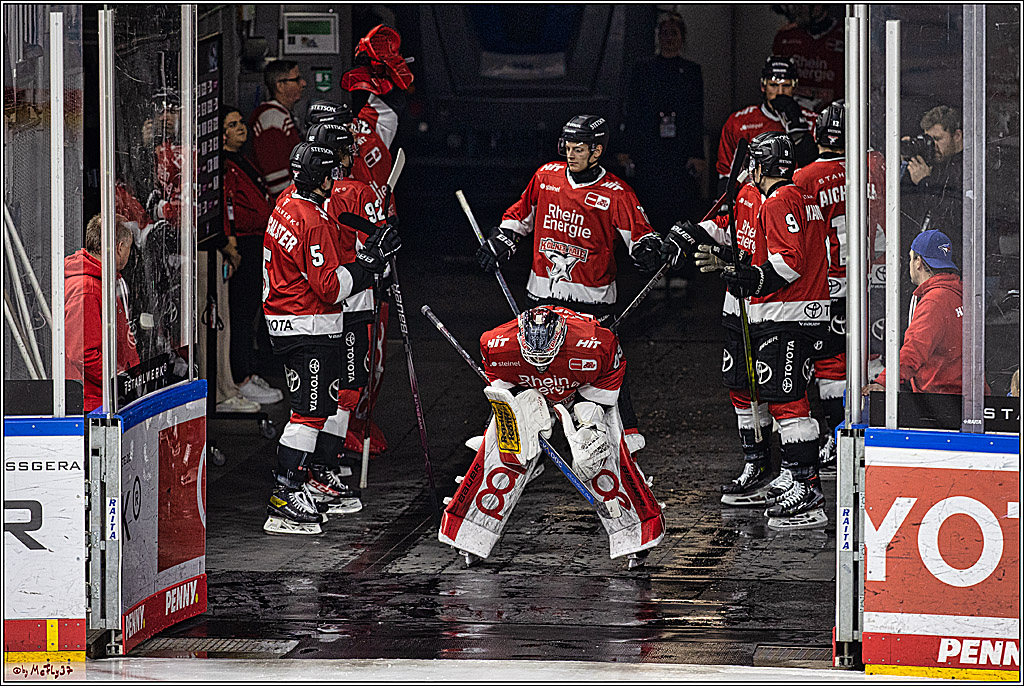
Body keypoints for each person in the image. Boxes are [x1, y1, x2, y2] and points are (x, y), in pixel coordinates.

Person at [666, 132, 830, 530]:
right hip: (754, 314)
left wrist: (747, 276)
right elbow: (733, 232)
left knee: (786, 400)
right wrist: (695, 236)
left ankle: (806, 489)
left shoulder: (782, 199)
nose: (745, 170)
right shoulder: (758, 195)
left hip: (785, 314)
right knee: (744, 389)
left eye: (751, 163)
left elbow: (788, 263)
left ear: (760, 165)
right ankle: (764, 470)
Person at [476, 114, 663, 452]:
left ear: (597, 151)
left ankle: (624, 438)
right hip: (542, 297)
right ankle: (511, 439)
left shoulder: (616, 193)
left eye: (579, 149)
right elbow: (519, 218)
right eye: (568, 147)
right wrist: (501, 240)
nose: (571, 155)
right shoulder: (546, 177)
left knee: (602, 365)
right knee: (526, 366)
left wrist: (650, 250)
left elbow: (640, 238)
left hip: (591, 305)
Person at [438, 305, 665, 569]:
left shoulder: (597, 343)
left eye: (546, 358)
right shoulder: (495, 344)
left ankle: (637, 529)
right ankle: (467, 529)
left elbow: (612, 377)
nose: (541, 365)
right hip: (529, 389)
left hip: (584, 388)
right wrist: (517, 414)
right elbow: (500, 386)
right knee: (505, 449)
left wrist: (590, 424)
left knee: (597, 452)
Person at [262, 141, 400, 535]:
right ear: (322, 178)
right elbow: (331, 288)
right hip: (306, 325)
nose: (334, 181)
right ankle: (285, 493)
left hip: (291, 321)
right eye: (330, 175)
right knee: (309, 411)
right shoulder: (312, 221)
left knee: (317, 407)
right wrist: (369, 263)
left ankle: (300, 482)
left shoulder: (286, 203)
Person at [792, 100, 846, 475]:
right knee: (865, 360)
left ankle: (834, 437)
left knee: (828, 365)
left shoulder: (802, 178)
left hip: (826, 285)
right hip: (871, 282)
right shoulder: (874, 166)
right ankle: (854, 433)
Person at [619, 11, 706, 228]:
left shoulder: (691, 71)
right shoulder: (643, 69)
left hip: (680, 148)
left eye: (673, 33)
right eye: (664, 33)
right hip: (648, 147)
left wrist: (698, 154)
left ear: (682, 37)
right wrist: (625, 148)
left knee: (679, 205)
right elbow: (633, 110)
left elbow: (696, 113)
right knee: (648, 203)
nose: (668, 37)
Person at [221, 105, 282, 407]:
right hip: (241, 245)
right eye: (233, 124)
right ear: (221, 136)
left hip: (257, 241)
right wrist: (230, 243)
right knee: (239, 314)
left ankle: (246, 370)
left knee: (250, 310)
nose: (242, 127)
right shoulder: (222, 167)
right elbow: (227, 207)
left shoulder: (241, 160)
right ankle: (239, 377)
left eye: (241, 121)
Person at [862, 230, 967, 395]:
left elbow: (913, 350)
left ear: (918, 262)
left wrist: (884, 382)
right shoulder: (957, 292)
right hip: (962, 399)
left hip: (943, 403)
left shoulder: (935, 301)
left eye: (911, 258)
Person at [64, 214, 141, 413]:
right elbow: (82, 353)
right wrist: (117, 379)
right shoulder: (87, 288)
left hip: (103, 397)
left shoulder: (102, 279)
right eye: (129, 248)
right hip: (93, 403)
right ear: (120, 247)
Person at [716, 55, 818, 195]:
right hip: (753, 199)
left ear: (794, 86)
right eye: (774, 85)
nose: (780, 92)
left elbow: (818, 171)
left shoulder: (811, 121)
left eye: (786, 86)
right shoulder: (740, 122)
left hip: (796, 197)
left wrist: (798, 132)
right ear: (763, 86)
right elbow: (726, 172)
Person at [901, 105, 964, 241]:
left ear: (957, 136)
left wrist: (925, 182)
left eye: (937, 139)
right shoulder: (934, 162)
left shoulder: (967, 168)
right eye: (927, 139)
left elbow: (954, 213)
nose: (931, 145)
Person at [771, 5, 845, 111]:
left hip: (833, 117)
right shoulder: (785, 36)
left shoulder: (845, 36)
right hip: (794, 115)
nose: (798, 8)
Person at [250, 60, 306, 199]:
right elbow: (275, 174)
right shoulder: (272, 118)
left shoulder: (282, 115)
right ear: (280, 86)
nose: (303, 83)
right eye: (296, 79)